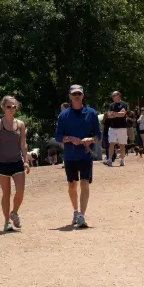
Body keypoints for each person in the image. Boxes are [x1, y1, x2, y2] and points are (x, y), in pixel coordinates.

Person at [55, 84, 100, 229]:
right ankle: (75, 210)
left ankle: (82, 215)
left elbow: (98, 135)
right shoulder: (63, 115)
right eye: (74, 94)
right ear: (70, 96)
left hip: (86, 155)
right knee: (72, 184)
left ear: (82, 96)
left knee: (84, 183)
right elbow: (58, 136)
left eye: (79, 94)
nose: (76, 96)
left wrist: (90, 140)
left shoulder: (92, 113)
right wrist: (69, 138)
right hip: (70, 156)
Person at [0, 96, 30, 231]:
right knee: (6, 193)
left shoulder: (20, 124)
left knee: (20, 191)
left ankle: (15, 212)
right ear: (3, 107)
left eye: (14, 106)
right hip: (2, 163)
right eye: (9, 106)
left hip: (17, 161)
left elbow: (23, 144)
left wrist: (26, 161)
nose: (12, 109)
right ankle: (7, 222)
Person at [106, 91, 128, 166]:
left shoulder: (124, 104)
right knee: (111, 143)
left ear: (118, 96)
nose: (112, 97)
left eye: (114, 95)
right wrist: (117, 114)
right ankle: (109, 159)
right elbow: (108, 115)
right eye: (112, 96)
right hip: (112, 128)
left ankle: (122, 159)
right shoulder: (111, 105)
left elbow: (122, 115)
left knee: (122, 144)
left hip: (122, 128)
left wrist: (114, 113)